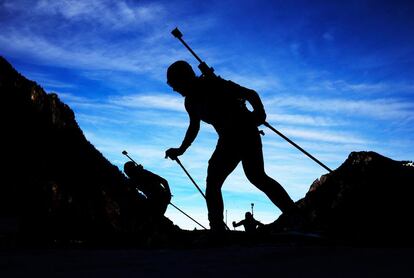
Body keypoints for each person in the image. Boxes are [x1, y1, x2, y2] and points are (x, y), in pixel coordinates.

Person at [165, 60, 296, 232]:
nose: (175, 89)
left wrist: (260, 114)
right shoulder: (190, 102)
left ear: (185, 78)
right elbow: (194, 127)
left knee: (253, 177)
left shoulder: (214, 84)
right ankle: (217, 228)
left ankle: (294, 215)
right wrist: (181, 149)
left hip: (245, 132)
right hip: (228, 139)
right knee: (220, 180)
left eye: (175, 84)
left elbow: (250, 94)